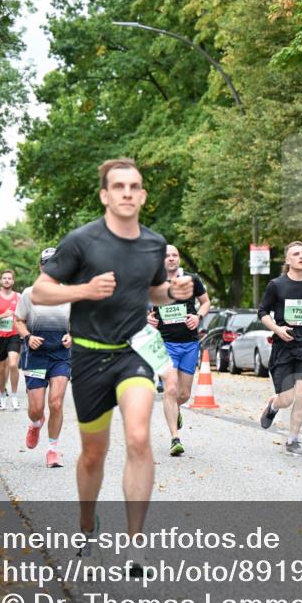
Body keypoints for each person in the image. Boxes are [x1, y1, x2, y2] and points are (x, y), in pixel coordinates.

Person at [31, 157, 193, 574]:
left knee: (139, 436)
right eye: (118, 186)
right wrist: (84, 289)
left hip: (133, 351)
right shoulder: (81, 241)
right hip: (87, 355)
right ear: (105, 194)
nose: (126, 192)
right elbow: (41, 291)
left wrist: (174, 293)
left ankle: (136, 544)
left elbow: (153, 293)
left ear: (142, 195)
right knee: (92, 456)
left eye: (134, 186)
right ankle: (87, 527)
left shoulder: (154, 244)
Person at [257, 241, 302, 456]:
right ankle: (274, 405)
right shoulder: (276, 285)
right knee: (287, 399)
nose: (301, 257)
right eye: (296, 254)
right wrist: (278, 330)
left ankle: (293, 440)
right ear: (287, 260)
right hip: (284, 346)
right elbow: (262, 312)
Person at [146, 244, 210, 457]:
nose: (171, 258)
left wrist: (198, 317)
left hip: (190, 343)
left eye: (175, 255)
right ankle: (175, 438)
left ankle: (176, 410)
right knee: (171, 390)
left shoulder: (192, 280)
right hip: (165, 344)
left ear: (179, 259)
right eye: (167, 256)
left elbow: (205, 302)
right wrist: (147, 319)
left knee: (183, 394)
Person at [15, 247, 73, 469]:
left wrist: (72, 337)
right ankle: (36, 423)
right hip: (36, 356)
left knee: (56, 403)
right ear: (41, 267)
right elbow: (18, 320)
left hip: (60, 355)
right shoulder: (29, 294)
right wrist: (27, 337)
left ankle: (52, 451)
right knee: (36, 408)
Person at [0, 272, 22, 410]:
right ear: (1, 281)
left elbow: (24, 314)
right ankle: (2, 396)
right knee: (0, 369)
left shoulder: (18, 297)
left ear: (13, 281)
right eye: (4, 278)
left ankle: (14, 396)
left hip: (14, 335)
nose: (7, 280)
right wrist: (3, 315)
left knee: (13, 364)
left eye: (9, 278)